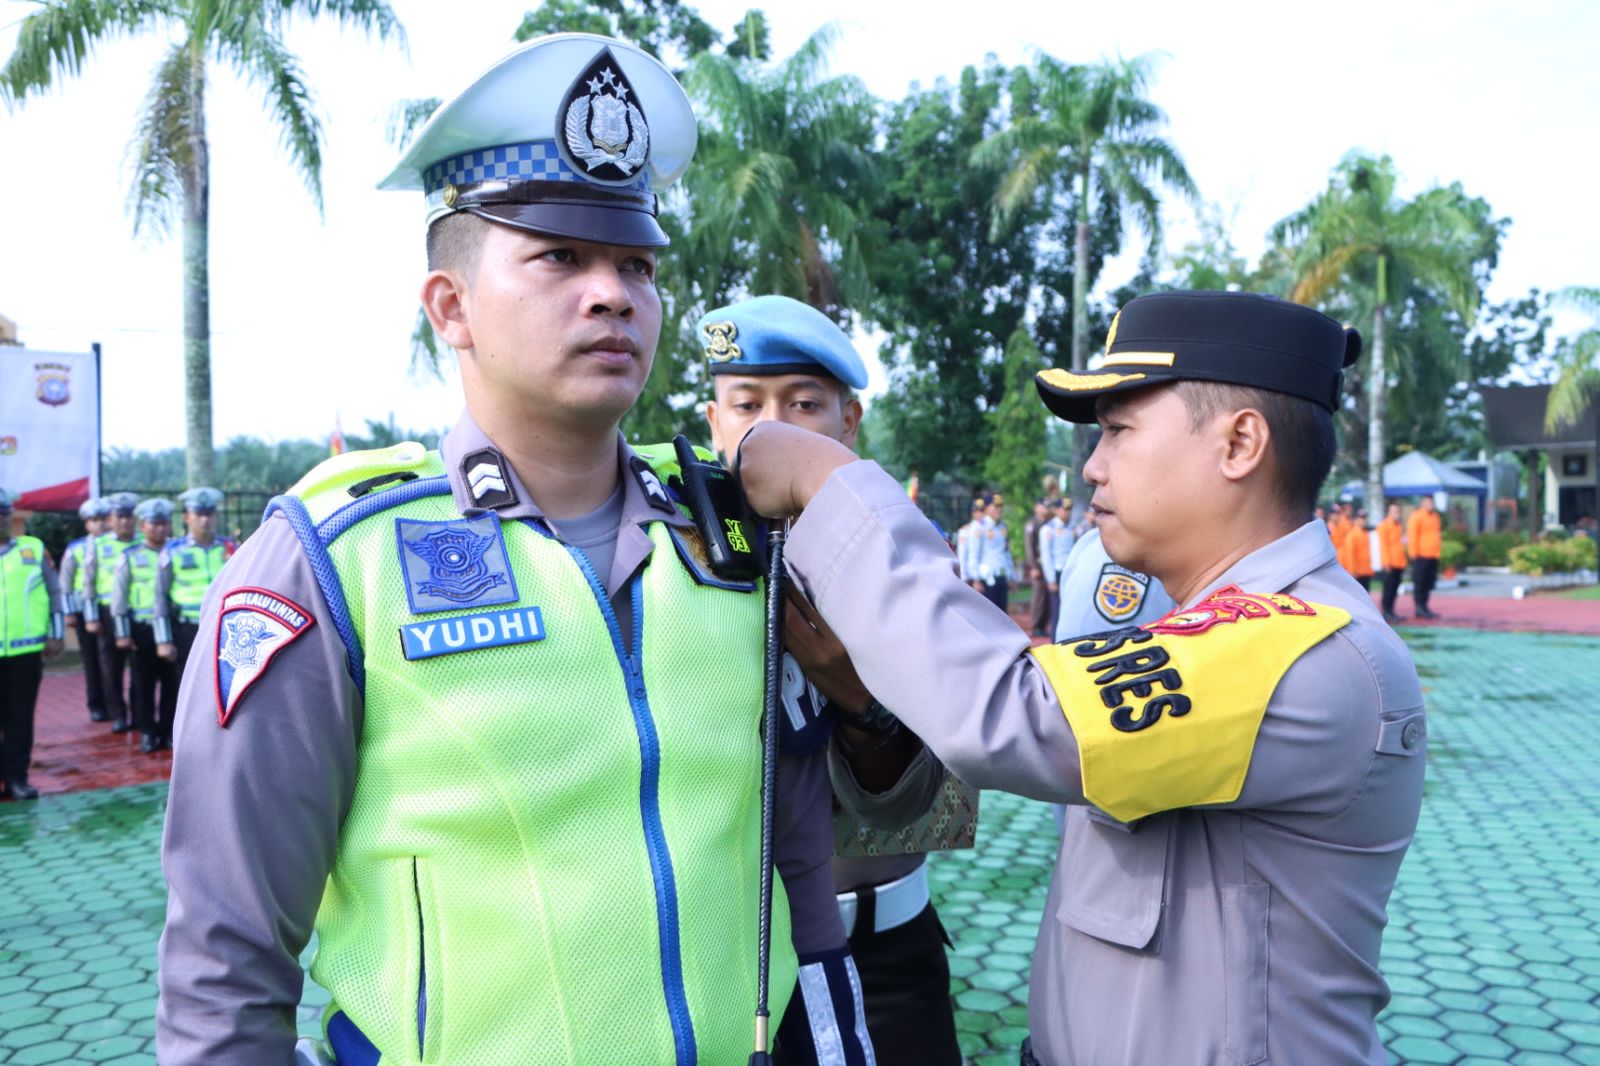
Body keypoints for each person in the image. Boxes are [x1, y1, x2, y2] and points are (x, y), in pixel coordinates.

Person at [156, 35, 870, 1065]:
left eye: (634, 264)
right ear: (451, 306)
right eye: (558, 258)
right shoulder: (333, 561)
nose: (611, 293)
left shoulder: (734, 539)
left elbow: (837, 834)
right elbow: (224, 961)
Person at [735, 290, 1427, 1064]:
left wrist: (832, 486)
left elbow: (1006, 711)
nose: (1093, 466)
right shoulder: (1218, 626)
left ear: (1239, 444)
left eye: (1120, 431)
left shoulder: (1304, 645)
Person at [700, 294, 962, 1065]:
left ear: (849, 422)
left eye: (803, 403)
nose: (772, 426)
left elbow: (936, 805)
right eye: (746, 403)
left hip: (885, 958)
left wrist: (857, 696)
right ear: (714, 422)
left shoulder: (905, 557)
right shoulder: (673, 554)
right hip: (729, 963)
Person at [0, 488, 65, 800]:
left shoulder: (33, 549)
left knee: (20, 718)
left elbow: (54, 594)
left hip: (25, 652)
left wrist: (56, 632)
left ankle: (17, 779)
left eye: (2, 512)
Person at [111, 498, 178, 753]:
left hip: (171, 627)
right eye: (155, 524)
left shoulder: (176, 552)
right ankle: (148, 731)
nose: (160, 529)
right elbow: (119, 597)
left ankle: (168, 731)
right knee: (143, 682)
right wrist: (122, 633)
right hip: (142, 628)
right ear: (143, 525)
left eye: (164, 523)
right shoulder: (130, 556)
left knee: (172, 682)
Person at [154, 487, 238, 681]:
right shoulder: (173, 551)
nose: (204, 520)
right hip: (187, 628)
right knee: (186, 685)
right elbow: (160, 597)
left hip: (223, 626)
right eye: (199, 514)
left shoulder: (230, 547)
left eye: (209, 514)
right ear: (187, 517)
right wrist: (163, 640)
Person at [80, 491, 141, 733]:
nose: (125, 521)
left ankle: (139, 714)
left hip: (137, 613)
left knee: (139, 668)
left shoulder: (143, 544)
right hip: (107, 614)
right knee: (111, 667)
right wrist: (91, 616)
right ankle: (118, 714)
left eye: (129, 516)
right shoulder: (98, 544)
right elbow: (88, 581)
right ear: (112, 519)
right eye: (120, 516)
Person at [60, 496, 111, 722]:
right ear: (86, 523)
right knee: (91, 658)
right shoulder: (76, 548)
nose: (99, 524)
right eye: (94, 520)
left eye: (103, 519)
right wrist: (69, 612)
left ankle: (114, 702)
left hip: (108, 608)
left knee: (110, 660)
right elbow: (66, 582)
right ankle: (96, 704)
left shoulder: (116, 545)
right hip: (83, 611)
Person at [1037, 497, 1077, 629]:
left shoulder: (1072, 527)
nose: (1067, 512)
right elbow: (1046, 556)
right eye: (1064, 509)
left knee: (1070, 610)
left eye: (1069, 509)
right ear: (1056, 510)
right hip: (1057, 572)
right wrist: (1051, 579)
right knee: (1057, 611)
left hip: (1070, 571)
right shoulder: (1049, 529)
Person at [973, 492, 1013, 613]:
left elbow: (1006, 553)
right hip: (987, 578)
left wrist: (1011, 576)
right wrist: (976, 579)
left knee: (1003, 615)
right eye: (995, 506)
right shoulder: (979, 527)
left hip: (1001, 576)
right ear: (986, 508)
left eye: (1000, 506)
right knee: (989, 616)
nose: (999, 509)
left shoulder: (1003, 527)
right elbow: (974, 555)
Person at [1406, 496, 1442, 619]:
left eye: (1432, 502)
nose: (1430, 505)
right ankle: (1419, 607)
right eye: (1427, 502)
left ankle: (1425, 606)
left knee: (1428, 582)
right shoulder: (1417, 516)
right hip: (1421, 555)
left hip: (1433, 555)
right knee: (1420, 582)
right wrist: (1413, 554)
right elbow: (1413, 535)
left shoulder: (1435, 516)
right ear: (1422, 503)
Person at [1376, 502, 1407, 623]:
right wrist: (1386, 563)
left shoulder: (1397, 526)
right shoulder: (1384, 526)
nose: (1397, 514)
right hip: (1389, 563)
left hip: (1399, 562)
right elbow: (1383, 546)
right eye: (1394, 512)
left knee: (1395, 588)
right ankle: (1386, 611)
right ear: (1389, 513)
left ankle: (1392, 611)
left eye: (1398, 512)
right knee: (1388, 589)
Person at [1024, 499, 1051, 637]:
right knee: (1039, 596)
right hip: (1038, 564)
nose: (1046, 509)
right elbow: (1029, 547)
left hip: (1048, 563)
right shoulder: (1032, 524)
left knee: (1047, 596)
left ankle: (1043, 625)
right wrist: (1033, 566)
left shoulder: (1049, 523)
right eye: (1043, 507)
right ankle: (1036, 625)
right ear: (1037, 508)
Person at [1339, 508, 1374, 590]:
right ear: (1356, 520)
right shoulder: (1352, 535)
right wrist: (1352, 571)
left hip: (1366, 571)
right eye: (1361, 518)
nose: (1364, 520)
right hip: (1357, 573)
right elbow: (1350, 555)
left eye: (1365, 518)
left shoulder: (1365, 533)